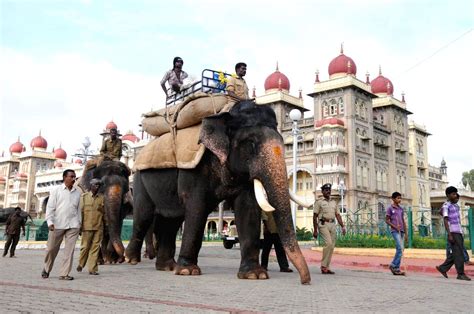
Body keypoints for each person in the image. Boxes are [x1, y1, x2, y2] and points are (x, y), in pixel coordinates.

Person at [41, 169, 82, 280]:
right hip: (57, 225)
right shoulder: (56, 191)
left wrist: (79, 224)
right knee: (51, 249)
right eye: (71, 176)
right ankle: (47, 268)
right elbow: (50, 208)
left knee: (69, 251)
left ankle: (64, 273)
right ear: (64, 177)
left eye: (74, 177)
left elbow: (78, 210)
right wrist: (50, 222)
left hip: (73, 226)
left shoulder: (78, 193)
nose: (73, 179)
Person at [436, 186, 471, 280]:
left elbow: (440, 212)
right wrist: (450, 234)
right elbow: (445, 220)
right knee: (458, 253)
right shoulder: (446, 206)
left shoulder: (455, 205)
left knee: (456, 252)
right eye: (453, 194)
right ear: (448, 195)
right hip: (453, 232)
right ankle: (460, 274)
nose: (455, 195)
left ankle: (442, 268)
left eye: (456, 194)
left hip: (458, 231)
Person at [312, 183, 346, 274]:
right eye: (326, 190)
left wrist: (343, 226)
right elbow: (314, 216)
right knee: (328, 243)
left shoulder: (334, 202)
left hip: (332, 224)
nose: (328, 192)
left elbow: (338, 215)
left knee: (331, 246)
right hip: (323, 224)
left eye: (329, 190)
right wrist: (315, 230)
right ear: (322, 191)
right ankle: (323, 266)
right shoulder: (319, 202)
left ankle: (327, 266)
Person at [77, 178, 104, 275]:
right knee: (85, 247)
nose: (97, 187)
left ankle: (93, 269)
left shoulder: (102, 198)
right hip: (86, 226)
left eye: (99, 185)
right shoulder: (84, 197)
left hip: (98, 227)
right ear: (91, 185)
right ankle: (81, 263)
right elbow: (80, 212)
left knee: (95, 248)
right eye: (96, 185)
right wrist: (79, 227)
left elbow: (104, 213)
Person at [446, 193, 473, 266]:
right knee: (450, 247)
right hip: (451, 230)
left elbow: (458, 220)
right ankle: (447, 263)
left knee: (460, 246)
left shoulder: (456, 207)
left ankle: (465, 260)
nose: (457, 200)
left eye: (457, 199)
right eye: (455, 198)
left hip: (457, 230)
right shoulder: (447, 206)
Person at [385, 192, 408, 276]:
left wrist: (406, 233)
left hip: (401, 231)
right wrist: (395, 227)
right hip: (395, 231)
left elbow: (403, 221)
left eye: (400, 198)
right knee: (399, 248)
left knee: (401, 250)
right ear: (393, 199)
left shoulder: (401, 209)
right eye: (398, 198)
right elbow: (387, 220)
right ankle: (393, 265)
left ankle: (396, 268)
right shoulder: (390, 208)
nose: (399, 199)